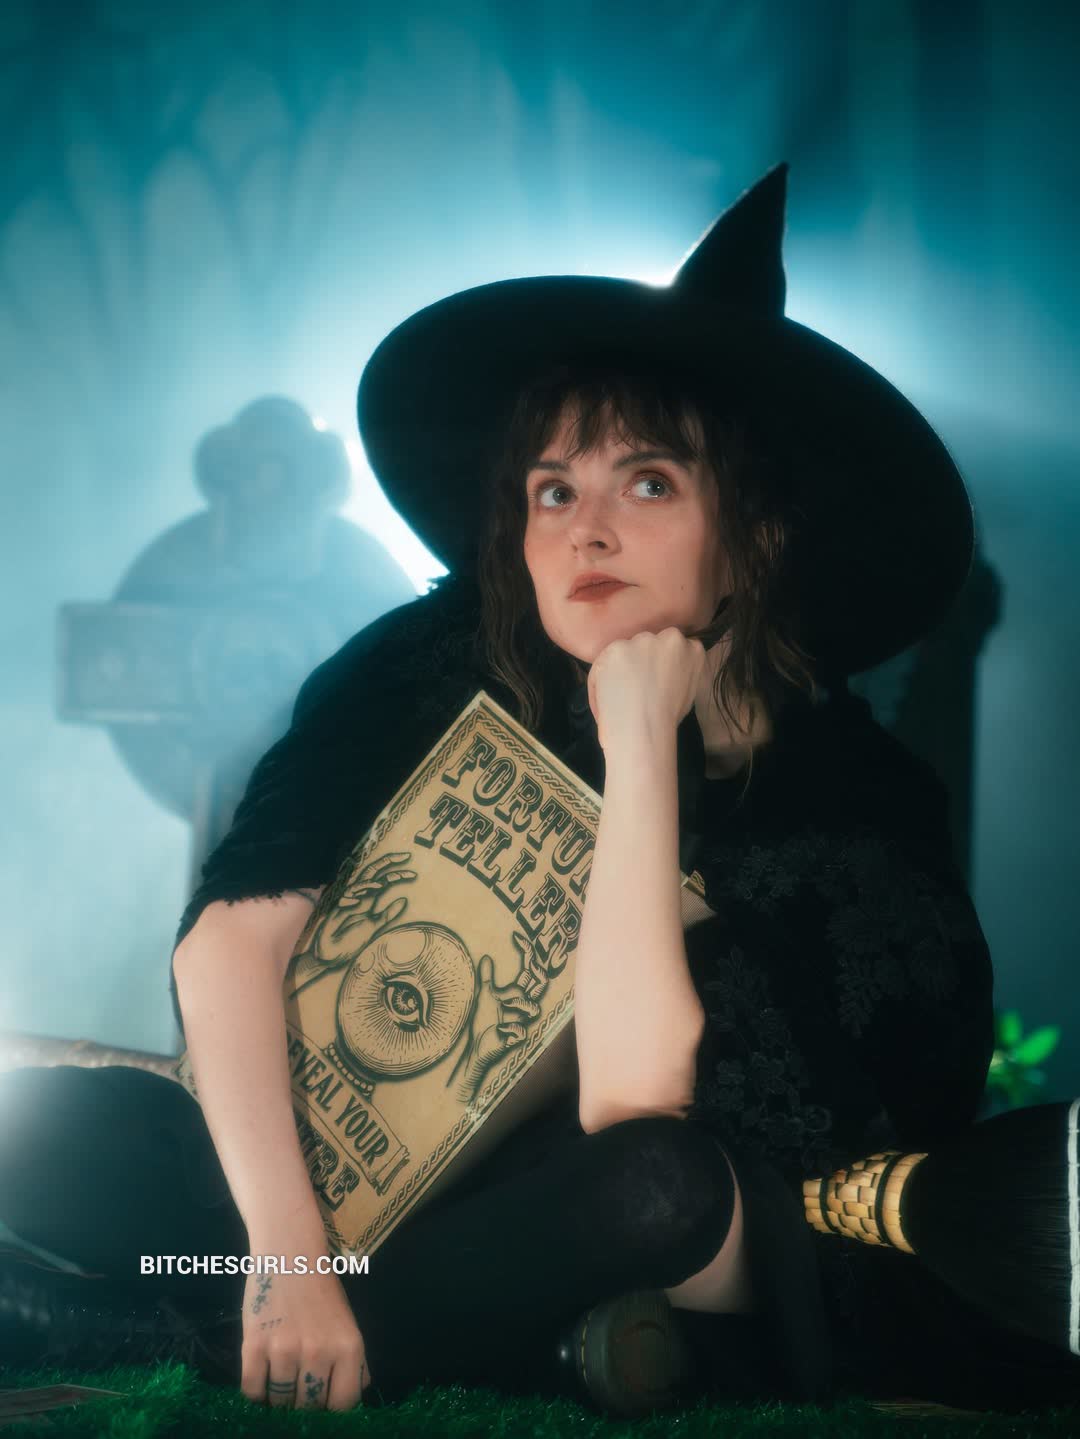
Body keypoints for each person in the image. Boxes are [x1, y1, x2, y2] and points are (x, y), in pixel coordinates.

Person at [3, 163, 1070, 1417]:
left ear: (759, 529)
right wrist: (290, 1257)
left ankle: (119, 1321)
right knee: (46, 1131)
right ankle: (349, 1316)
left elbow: (630, 1106)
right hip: (321, 1190)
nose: (584, 530)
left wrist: (640, 738)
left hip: (615, 1221)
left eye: (648, 483)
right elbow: (234, 938)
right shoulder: (435, 656)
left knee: (656, 1190)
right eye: (554, 488)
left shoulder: (852, 802)